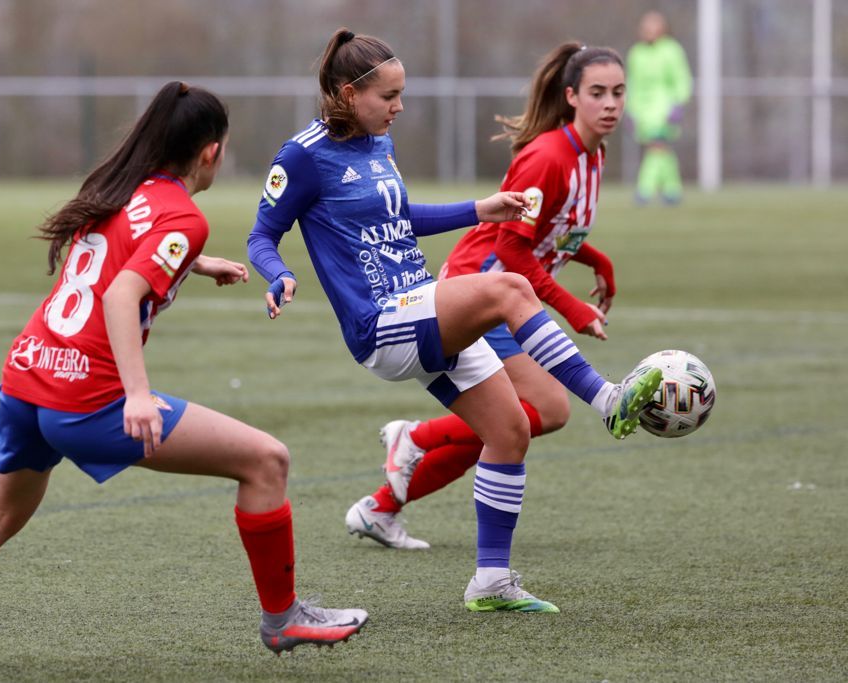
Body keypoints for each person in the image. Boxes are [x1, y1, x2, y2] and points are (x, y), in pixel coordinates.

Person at [0, 81, 367, 666]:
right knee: (266, 460)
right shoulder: (184, 215)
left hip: (28, 375)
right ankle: (283, 621)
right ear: (211, 152)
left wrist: (193, 263)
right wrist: (136, 395)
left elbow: (116, 252)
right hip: (86, 399)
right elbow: (121, 294)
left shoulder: (117, 188)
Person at [248, 29, 662, 614]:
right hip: (379, 322)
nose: (399, 107)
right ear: (347, 94)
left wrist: (479, 208)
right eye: (388, 96)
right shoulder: (303, 155)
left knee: (512, 430)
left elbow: (401, 217)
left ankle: (490, 580)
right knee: (508, 287)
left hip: (419, 304)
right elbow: (262, 234)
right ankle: (608, 400)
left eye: (401, 94)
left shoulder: (377, 146)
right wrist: (276, 274)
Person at [345, 42, 631, 551]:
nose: (610, 103)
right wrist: (572, 308)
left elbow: (554, 231)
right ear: (571, 97)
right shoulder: (548, 158)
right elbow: (512, 249)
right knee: (541, 412)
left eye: (618, 92)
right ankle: (418, 438)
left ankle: (380, 507)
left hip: (507, 288)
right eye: (597, 93)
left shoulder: (593, 155)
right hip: (482, 287)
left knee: (512, 423)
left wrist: (597, 262)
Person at [626, 10, 692, 204]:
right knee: (660, 150)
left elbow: (681, 79)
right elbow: (633, 83)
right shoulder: (636, 53)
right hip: (642, 110)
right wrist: (629, 109)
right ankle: (672, 190)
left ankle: (644, 190)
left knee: (657, 147)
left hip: (664, 108)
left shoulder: (671, 50)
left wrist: (678, 104)